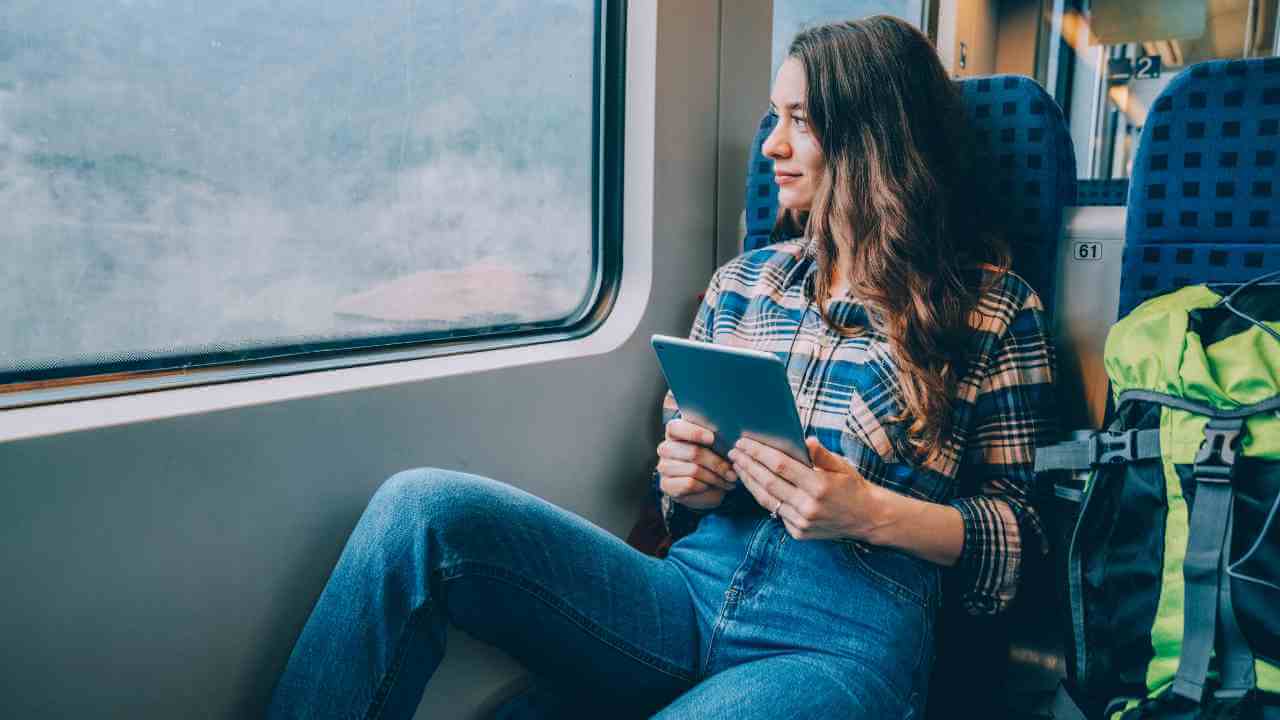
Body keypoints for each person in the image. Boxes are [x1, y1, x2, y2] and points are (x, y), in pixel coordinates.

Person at [267, 15, 1055, 720]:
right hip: (684, 592)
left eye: (799, 122)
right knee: (421, 510)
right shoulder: (744, 283)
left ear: (870, 140)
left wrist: (869, 512)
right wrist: (684, 480)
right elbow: (678, 496)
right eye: (772, 119)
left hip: (841, 638)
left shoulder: (992, 310)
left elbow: (1018, 542)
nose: (770, 145)